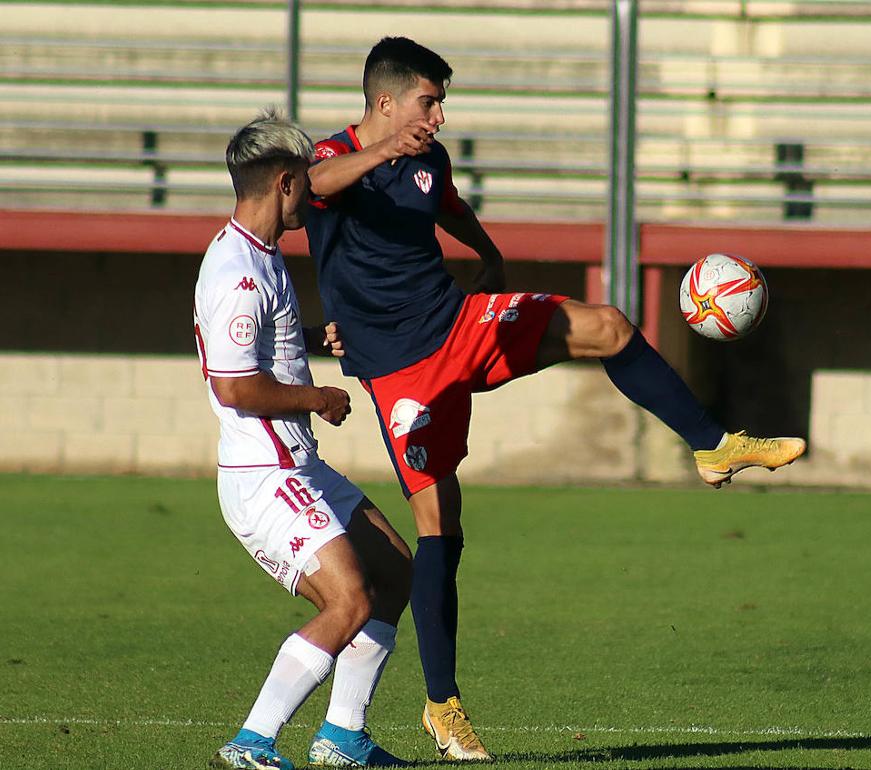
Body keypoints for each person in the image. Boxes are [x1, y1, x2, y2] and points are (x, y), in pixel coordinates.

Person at [305, 37, 807, 762]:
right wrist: (383, 154)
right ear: (385, 102)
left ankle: (711, 443)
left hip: (458, 322)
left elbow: (442, 199)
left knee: (606, 325)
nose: (440, 114)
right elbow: (314, 187)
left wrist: (486, 251)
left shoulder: (428, 158)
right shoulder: (337, 157)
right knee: (439, 524)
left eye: (442, 100)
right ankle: (442, 706)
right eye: (429, 100)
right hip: (400, 370)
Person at [194, 108, 414, 770]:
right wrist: (316, 396)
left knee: (396, 571)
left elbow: (261, 353)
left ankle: (343, 737)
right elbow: (236, 388)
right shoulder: (237, 271)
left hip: (297, 464)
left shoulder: (257, 254)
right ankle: (252, 741)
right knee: (348, 599)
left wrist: (310, 343)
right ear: (286, 182)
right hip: (264, 477)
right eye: (308, 181)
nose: (315, 193)